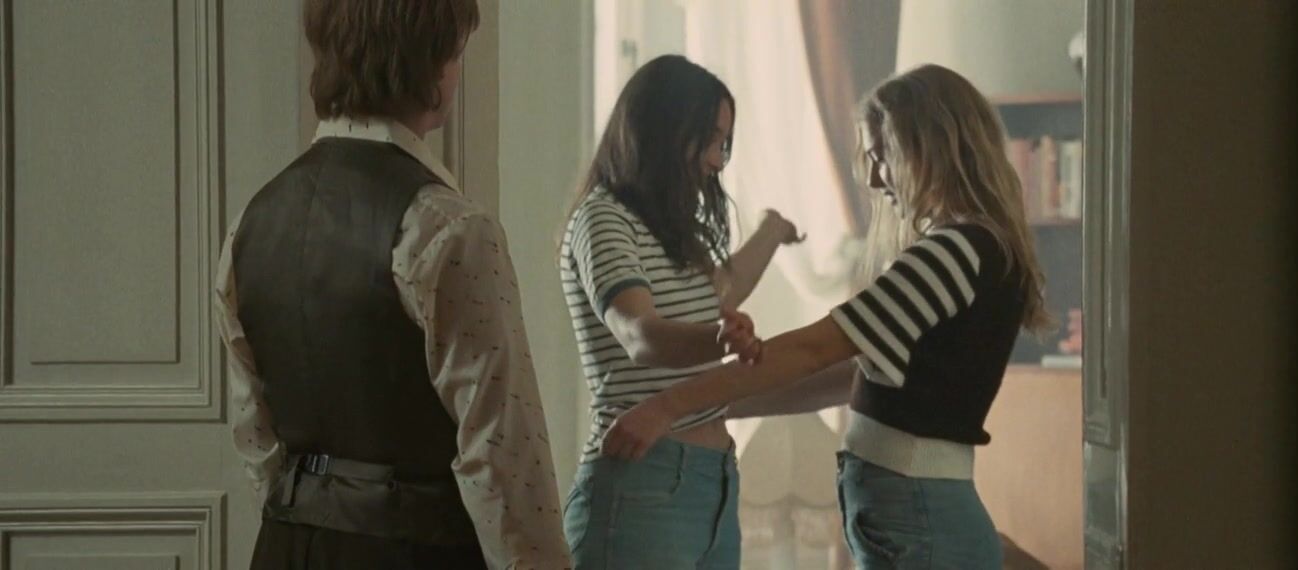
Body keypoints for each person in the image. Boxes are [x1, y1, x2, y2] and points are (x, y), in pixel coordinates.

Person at [602, 64, 1054, 570]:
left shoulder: (954, 252)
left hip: (918, 509)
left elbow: (814, 348)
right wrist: (710, 409)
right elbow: (854, 375)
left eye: (883, 157)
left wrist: (669, 404)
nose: (877, 180)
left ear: (931, 147)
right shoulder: (975, 248)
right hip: (918, 507)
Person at [213, 1, 571, 568]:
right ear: (427, 62)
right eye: (456, 52)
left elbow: (257, 438)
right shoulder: (448, 227)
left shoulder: (249, 224)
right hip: (413, 550)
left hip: (286, 546)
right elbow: (501, 455)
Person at [558, 55, 802, 569]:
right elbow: (639, 334)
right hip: (645, 482)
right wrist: (719, 339)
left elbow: (722, 290)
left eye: (724, 144)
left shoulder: (668, 230)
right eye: (711, 140)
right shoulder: (603, 219)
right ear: (664, 132)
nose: (718, 160)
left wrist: (773, 230)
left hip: (713, 483)